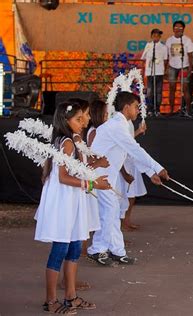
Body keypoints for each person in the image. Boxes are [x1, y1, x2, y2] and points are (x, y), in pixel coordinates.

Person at [35, 101, 111, 314]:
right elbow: (64, 176)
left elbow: (77, 169)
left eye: (85, 116)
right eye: (80, 118)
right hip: (63, 201)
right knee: (60, 248)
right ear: (66, 121)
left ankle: (71, 296)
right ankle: (50, 300)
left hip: (73, 199)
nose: (85, 121)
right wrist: (95, 184)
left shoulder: (73, 140)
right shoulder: (67, 142)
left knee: (75, 247)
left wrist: (96, 165)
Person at [87, 92, 170, 265]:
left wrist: (150, 173)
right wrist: (158, 168)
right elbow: (135, 150)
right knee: (109, 212)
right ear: (126, 108)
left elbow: (129, 154)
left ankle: (117, 251)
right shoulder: (116, 126)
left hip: (108, 177)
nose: (138, 110)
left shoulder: (121, 125)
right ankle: (97, 249)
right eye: (136, 106)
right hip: (98, 176)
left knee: (113, 212)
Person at [165, 20, 193, 116]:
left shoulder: (187, 40)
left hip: (184, 67)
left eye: (180, 28)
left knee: (185, 88)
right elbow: (167, 56)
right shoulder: (169, 40)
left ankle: (188, 111)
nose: (178, 29)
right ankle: (171, 110)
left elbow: (191, 55)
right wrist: (166, 69)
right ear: (173, 29)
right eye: (176, 28)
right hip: (172, 67)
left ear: (183, 29)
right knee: (172, 88)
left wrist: (190, 68)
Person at [141, 28, 167, 117]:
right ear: (151, 36)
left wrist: (165, 70)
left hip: (159, 72)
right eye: (154, 35)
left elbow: (166, 60)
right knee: (149, 92)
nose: (156, 37)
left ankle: (157, 109)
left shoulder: (163, 47)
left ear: (160, 37)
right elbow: (143, 57)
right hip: (150, 72)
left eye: (158, 35)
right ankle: (150, 109)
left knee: (158, 91)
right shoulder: (148, 45)